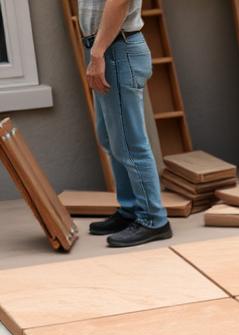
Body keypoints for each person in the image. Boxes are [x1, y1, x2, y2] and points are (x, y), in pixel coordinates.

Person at [81, 0, 172, 247]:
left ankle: (153, 219)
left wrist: (98, 53)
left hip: (116, 50)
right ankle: (131, 209)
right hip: (107, 48)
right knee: (111, 139)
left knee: (130, 145)